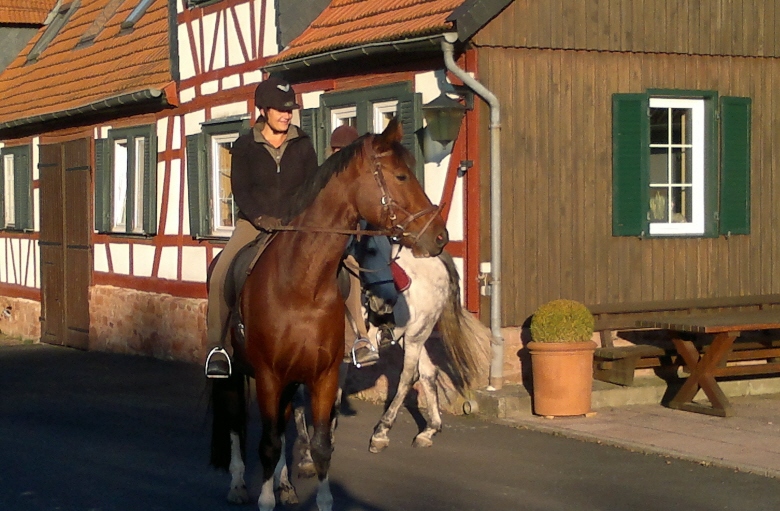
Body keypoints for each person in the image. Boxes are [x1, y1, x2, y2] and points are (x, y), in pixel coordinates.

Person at [204, 76, 318, 378]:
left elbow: (312, 186)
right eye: (280, 109)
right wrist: (259, 218)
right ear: (264, 110)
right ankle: (216, 347)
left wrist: (298, 216)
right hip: (253, 224)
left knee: (347, 265)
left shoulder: (304, 144)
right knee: (219, 274)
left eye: (290, 110)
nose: (287, 114)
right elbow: (240, 189)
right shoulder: (244, 146)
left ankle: (357, 337)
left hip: (295, 224)